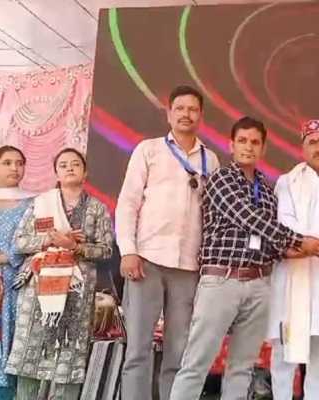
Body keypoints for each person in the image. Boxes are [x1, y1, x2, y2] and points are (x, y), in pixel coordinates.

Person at [169, 117, 319, 400]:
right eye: (243, 141)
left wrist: (298, 250)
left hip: (259, 283)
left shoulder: (268, 191)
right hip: (222, 281)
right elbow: (251, 220)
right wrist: (301, 242)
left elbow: (271, 242)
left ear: (263, 148)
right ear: (231, 145)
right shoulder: (221, 179)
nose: (248, 147)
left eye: (255, 142)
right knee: (197, 363)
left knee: (242, 368)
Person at [116, 85, 220, 400]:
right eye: (180, 108)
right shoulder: (148, 150)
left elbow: (213, 215)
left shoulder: (210, 159)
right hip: (146, 259)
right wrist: (128, 251)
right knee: (138, 349)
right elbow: (128, 203)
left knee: (178, 351)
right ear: (169, 113)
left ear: (201, 116)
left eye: (193, 109)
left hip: (188, 266)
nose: (186, 114)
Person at [5, 148, 114, 400]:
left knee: (68, 354)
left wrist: (75, 247)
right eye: (63, 165)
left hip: (76, 290)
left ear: (85, 173)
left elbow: (106, 250)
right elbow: (19, 243)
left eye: (75, 164)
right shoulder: (40, 204)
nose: (69, 168)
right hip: (38, 289)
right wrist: (48, 240)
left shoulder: (97, 208)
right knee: (30, 353)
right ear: (56, 173)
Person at [269, 119, 319, 400]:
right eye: (313, 142)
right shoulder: (287, 182)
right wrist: (312, 245)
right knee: (284, 353)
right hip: (294, 275)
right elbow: (285, 223)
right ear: (303, 147)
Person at [0, 146, 33, 400]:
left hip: (19, 282)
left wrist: (6, 258)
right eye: (7, 163)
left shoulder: (33, 203)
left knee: (14, 339)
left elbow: (35, 242)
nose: (14, 168)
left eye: (19, 163)